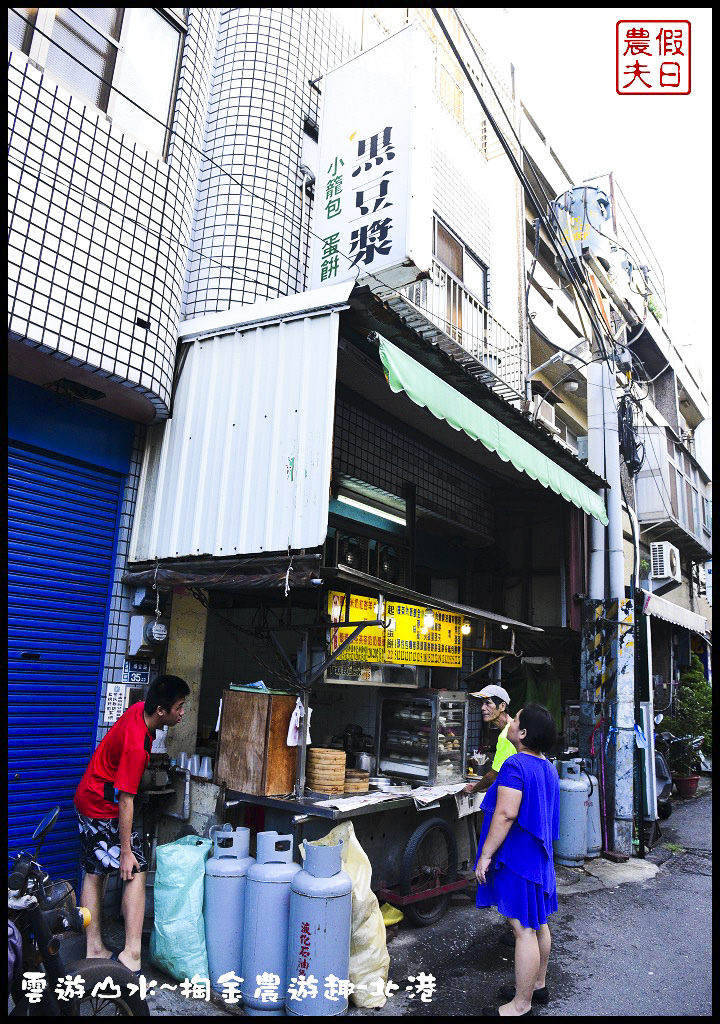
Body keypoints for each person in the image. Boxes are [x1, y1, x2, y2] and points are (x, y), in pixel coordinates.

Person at [73, 674, 189, 972]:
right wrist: (125, 850)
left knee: (95, 871)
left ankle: (95, 947)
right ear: (161, 711)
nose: (183, 712)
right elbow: (126, 800)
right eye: (179, 707)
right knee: (135, 868)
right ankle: (130, 954)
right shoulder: (137, 746)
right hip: (100, 804)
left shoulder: (140, 708)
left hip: (93, 795)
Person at [474, 703, 560, 1017]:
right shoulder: (546, 765)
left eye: (517, 719)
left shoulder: (515, 765)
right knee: (538, 923)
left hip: (518, 859)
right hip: (539, 859)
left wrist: (485, 856)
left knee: (522, 928)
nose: (511, 722)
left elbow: (506, 813)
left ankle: (520, 1005)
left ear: (522, 733)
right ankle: (537, 986)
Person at [464, 685, 515, 794]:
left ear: (502, 706)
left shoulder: (508, 733)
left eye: (488, 703)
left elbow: (492, 775)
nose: (483, 708)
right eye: (482, 703)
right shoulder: (511, 728)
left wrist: (473, 788)